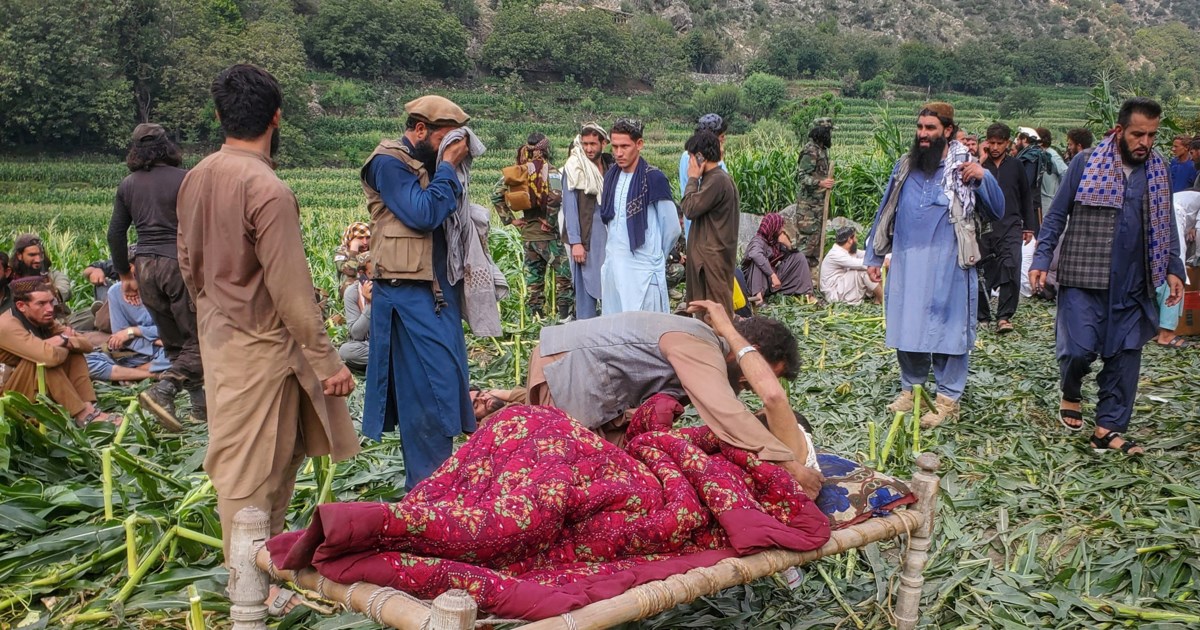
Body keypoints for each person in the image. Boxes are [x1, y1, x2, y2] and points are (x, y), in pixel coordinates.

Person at [176, 64, 360, 557]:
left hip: (220, 339)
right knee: (253, 471)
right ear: (277, 117)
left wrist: (216, 311)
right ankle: (247, 585)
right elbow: (292, 294)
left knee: (274, 459)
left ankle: (261, 569)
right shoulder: (268, 191)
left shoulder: (195, 178)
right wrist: (328, 363)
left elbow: (187, 265)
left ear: (219, 115)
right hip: (264, 349)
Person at [525, 302, 823, 499]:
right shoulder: (701, 344)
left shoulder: (705, 344)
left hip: (570, 369)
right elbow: (726, 412)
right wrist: (790, 466)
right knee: (565, 478)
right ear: (750, 350)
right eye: (753, 376)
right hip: (565, 369)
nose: (749, 385)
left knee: (615, 463)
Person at [1030, 97, 1185, 456]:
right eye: (1137, 134)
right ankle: (1071, 391)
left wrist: (1174, 267)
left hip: (1134, 283)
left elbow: (1167, 224)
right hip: (1084, 278)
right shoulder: (1086, 164)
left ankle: (1108, 428)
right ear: (1119, 131)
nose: (1145, 142)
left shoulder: (1157, 170)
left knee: (1125, 355)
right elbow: (1056, 216)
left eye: (1151, 135)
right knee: (1078, 351)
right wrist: (1041, 259)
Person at [864, 102, 1005, 428]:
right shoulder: (906, 166)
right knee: (907, 328)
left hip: (950, 267)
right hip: (908, 263)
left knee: (949, 332)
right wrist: (873, 254)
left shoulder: (967, 167)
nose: (923, 134)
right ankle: (911, 389)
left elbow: (998, 210)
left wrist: (984, 178)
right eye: (920, 128)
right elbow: (885, 209)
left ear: (948, 131)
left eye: (931, 128)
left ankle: (947, 399)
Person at [360, 94, 475, 491]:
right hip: (406, 299)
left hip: (434, 295)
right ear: (420, 130)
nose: (453, 148)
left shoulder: (425, 164)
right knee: (424, 395)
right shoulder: (388, 163)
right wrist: (446, 167)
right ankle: (426, 493)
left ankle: (437, 486)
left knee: (444, 387)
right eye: (445, 138)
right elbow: (422, 213)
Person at [108, 122, 206, 429]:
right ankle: (165, 388)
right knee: (201, 340)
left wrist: (125, 274)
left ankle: (198, 408)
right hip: (178, 264)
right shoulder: (185, 179)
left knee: (175, 342)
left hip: (145, 267)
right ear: (168, 147)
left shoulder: (128, 185)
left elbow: (115, 233)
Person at [0, 278, 120, 427]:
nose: (50, 309)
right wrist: (64, 339)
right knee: (43, 362)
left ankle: (87, 408)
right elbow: (49, 357)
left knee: (73, 353)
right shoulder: (6, 325)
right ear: (21, 306)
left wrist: (62, 342)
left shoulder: (43, 318)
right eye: (41, 304)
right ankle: (82, 414)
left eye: (51, 302)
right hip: (9, 397)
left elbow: (86, 345)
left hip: (33, 387)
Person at [600, 118, 680, 314]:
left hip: (643, 271)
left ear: (639, 144)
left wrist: (654, 256)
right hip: (614, 265)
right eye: (615, 146)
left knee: (645, 333)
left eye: (625, 146)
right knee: (615, 330)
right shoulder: (611, 176)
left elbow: (672, 229)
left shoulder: (654, 178)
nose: (618, 153)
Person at [494, 132, 570, 319]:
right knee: (565, 278)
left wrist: (511, 220)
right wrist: (550, 222)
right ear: (545, 150)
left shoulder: (517, 172)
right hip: (549, 237)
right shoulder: (551, 171)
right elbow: (556, 196)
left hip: (528, 235)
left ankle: (535, 319)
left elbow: (496, 194)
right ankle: (564, 317)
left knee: (534, 281)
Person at [977, 123, 1036, 333]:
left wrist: (1029, 226)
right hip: (984, 226)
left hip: (1011, 224)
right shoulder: (980, 166)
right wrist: (980, 162)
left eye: (999, 143)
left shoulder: (1016, 166)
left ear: (1008, 143)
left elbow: (1025, 196)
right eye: (991, 143)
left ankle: (1004, 316)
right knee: (982, 270)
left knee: (1011, 264)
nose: (994, 147)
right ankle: (982, 315)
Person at [681, 129, 740, 317]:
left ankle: (722, 346)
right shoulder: (713, 179)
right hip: (708, 258)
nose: (689, 162)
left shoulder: (717, 180)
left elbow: (689, 208)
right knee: (704, 311)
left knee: (716, 314)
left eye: (691, 157)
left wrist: (691, 178)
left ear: (700, 157)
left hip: (712, 259)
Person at [562, 123, 613, 320]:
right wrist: (575, 242)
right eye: (585, 144)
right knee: (586, 288)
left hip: (608, 235)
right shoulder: (575, 168)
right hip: (586, 237)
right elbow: (570, 207)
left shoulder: (610, 166)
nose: (589, 148)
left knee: (610, 285)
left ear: (604, 143)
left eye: (593, 143)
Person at [85, 278, 172, 383]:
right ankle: (148, 374)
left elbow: (173, 330)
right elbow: (120, 335)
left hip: (165, 352)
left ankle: (129, 375)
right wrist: (154, 341)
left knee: (184, 354)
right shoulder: (115, 292)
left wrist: (135, 331)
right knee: (86, 363)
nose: (129, 289)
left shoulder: (164, 287)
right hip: (129, 355)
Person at [788, 118, 836, 273]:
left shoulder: (822, 150)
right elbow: (801, 177)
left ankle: (812, 281)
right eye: (828, 132)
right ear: (822, 132)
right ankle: (797, 277)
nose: (830, 135)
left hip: (819, 205)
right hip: (808, 207)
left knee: (815, 242)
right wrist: (820, 183)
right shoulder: (810, 151)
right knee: (806, 243)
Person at [1154, 190, 1200, 348]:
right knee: (1176, 273)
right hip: (1172, 220)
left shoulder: (1191, 197)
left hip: (1157, 218)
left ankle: (1155, 328)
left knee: (1159, 271)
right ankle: (1166, 333)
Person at [742, 212, 813, 302]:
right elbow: (755, 254)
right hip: (756, 282)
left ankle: (808, 294)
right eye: (780, 227)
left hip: (772, 282)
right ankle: (758, 299)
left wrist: (788, 245)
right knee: (757, 261)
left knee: (799, 257)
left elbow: (789, 257)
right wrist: (772, 275)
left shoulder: (775, 241)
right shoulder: (757, 241)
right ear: (773, 227)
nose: (782, 229)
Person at [678, 113, 729, 238]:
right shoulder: (697, 160)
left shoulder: (693, 157)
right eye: (721, 137)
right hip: (704, 236)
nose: (724, 140)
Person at [820, 226, 880, 305]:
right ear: (850, 240)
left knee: (873, 266)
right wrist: (878, 263)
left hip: (843, 286)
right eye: (855, 238)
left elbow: (866, 255)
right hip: (834, 293)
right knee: (863, 272)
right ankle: (882, 297)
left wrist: (883, 258)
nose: (857, 240)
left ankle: (879, 296)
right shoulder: (835, 254)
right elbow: (862, 264)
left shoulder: (848, 250)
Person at [10, 234, 71, 305]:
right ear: (19, 256)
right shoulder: (10, 278)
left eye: (40, 254)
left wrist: (52, 290)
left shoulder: (54, 276)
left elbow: (65, 290)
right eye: (32, 255)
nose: (38, 260)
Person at [339, 255, 372, 371]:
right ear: (362, 275)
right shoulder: (352, 293)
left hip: (391, 341)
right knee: (345, 351)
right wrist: (369, 305)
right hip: (368, 344)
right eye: (371, 275)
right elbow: (357, 334)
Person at [1035, 127, 1069, 218]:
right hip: (1044, 200)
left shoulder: (1051, 155)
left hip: (1050, 200)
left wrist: (1060, 193)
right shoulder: (1040, 154)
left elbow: (1065, 172)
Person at [1015, 127, 1047, 218]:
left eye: (1018, 139)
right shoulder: (1032, 154)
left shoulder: (1031, 156)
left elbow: (1027, 182)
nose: (1016, 143)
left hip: (1031, 204)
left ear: (1024, 139)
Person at [333, 222, 370, 299]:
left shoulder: (373, 250)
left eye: (367, 238)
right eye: (360, 238)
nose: (365, 242)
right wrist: (354, 248)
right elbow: (350, 271)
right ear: (351, 238)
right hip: (351, 287)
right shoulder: (341, 252)